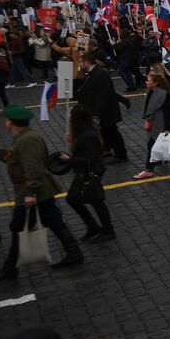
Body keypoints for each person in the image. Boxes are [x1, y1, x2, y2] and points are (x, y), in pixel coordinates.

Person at [0, 106, 83, 280]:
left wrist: (31, 193)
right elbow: (11, 158)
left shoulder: (28, 140)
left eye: (7, 119)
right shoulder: (23, 137)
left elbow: (33, 168)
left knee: (18, 227)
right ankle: (74, 253)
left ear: (11, 123)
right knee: (53, 222)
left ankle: (10, 268)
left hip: (34, 194)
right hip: (37, 193)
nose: (5, 121)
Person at [59, 104, 115, 242]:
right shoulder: (84, 132)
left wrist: (70, 159)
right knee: (78, 199)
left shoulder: (87, 135)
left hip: (90, 172)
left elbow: (90, 159)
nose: (68, 118)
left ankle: (106, 230)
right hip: (86, 171)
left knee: (95, 201)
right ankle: (95, 227)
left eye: (70, 116)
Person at [74, 53, 129, 162]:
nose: (80, 64)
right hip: (101, 111)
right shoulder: (92, 73)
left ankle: (121, 154)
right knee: (106, 132)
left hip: (106, 111)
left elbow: (103, 95)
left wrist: (96, 113)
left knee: (112, 133)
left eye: (81, 62)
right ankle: (107, 149)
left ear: (86, 63)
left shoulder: (100, 74)